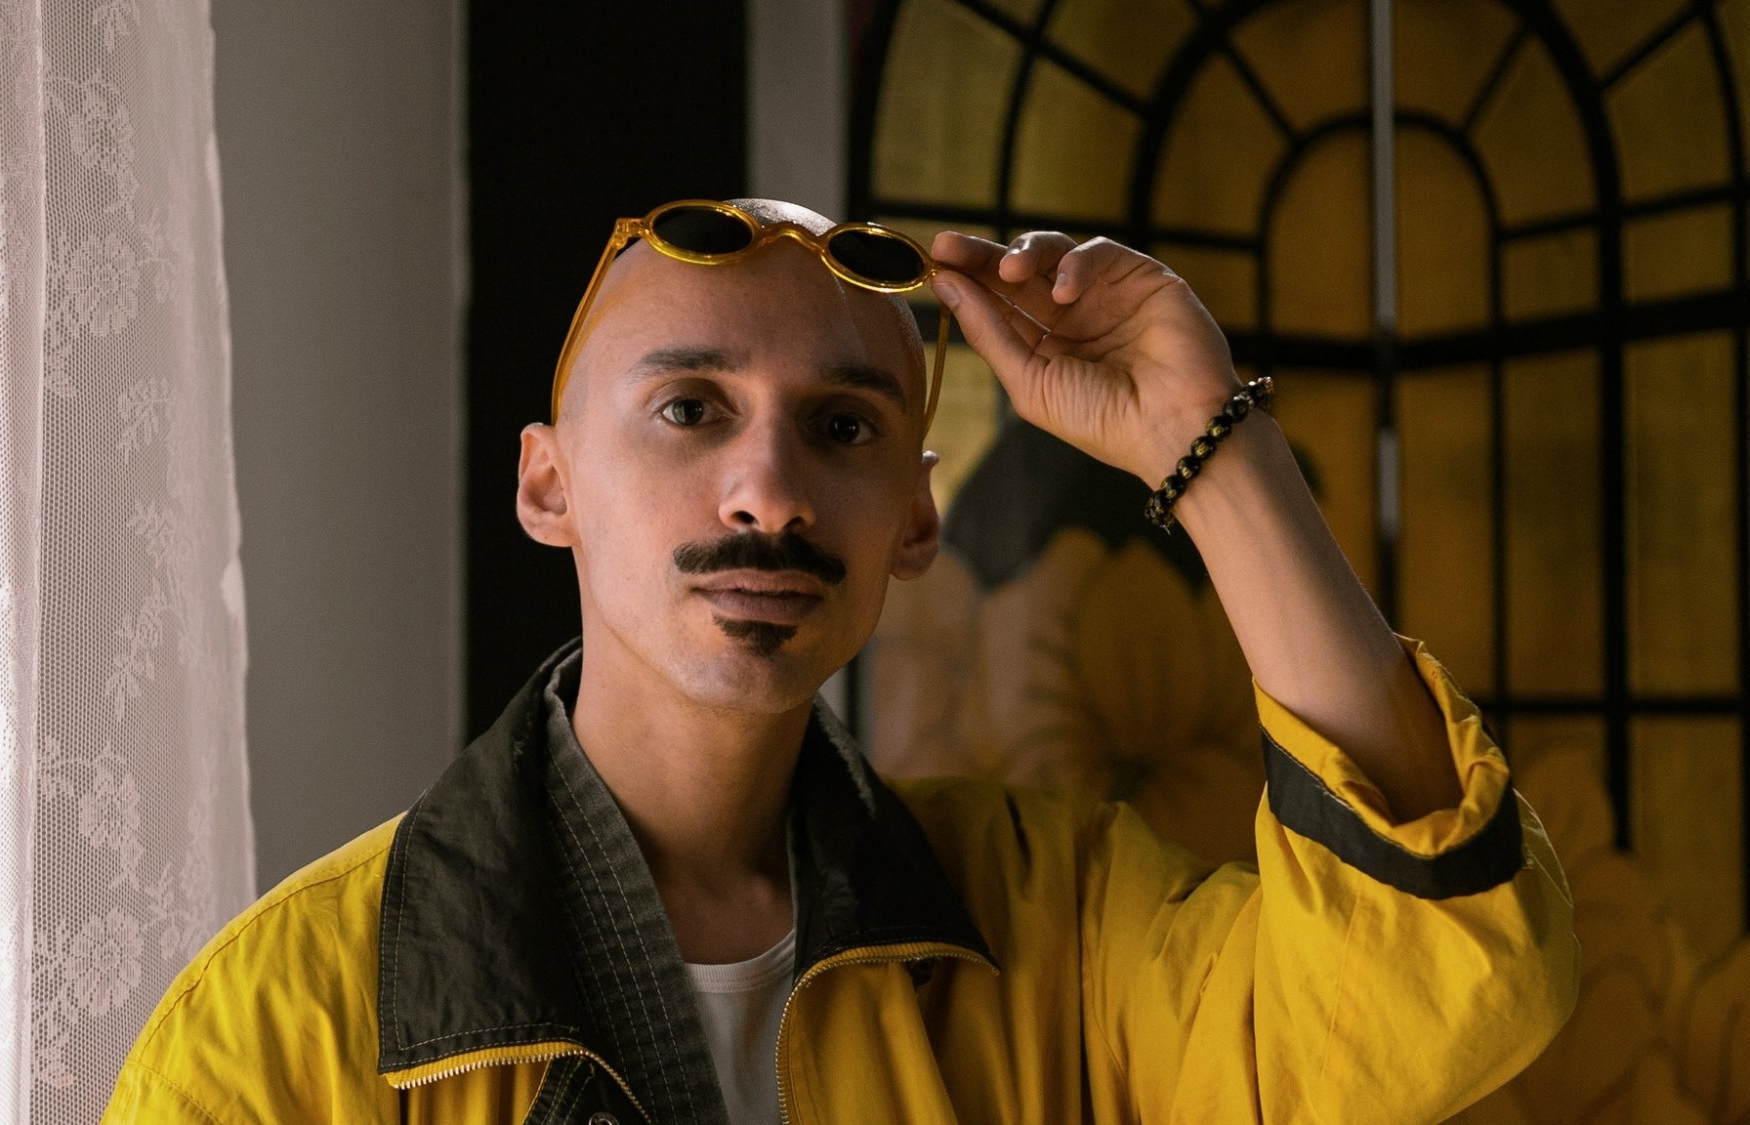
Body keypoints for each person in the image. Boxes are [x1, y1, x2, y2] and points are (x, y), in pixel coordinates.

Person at [104, 198, 1578, 1124]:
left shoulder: (1048, 923)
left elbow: (1435, 988)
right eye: (690, 408)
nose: (771, 493)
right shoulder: (288, 1020)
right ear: (549, 486)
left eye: (845, 426)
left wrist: (1209, 444)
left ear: (914, 520)